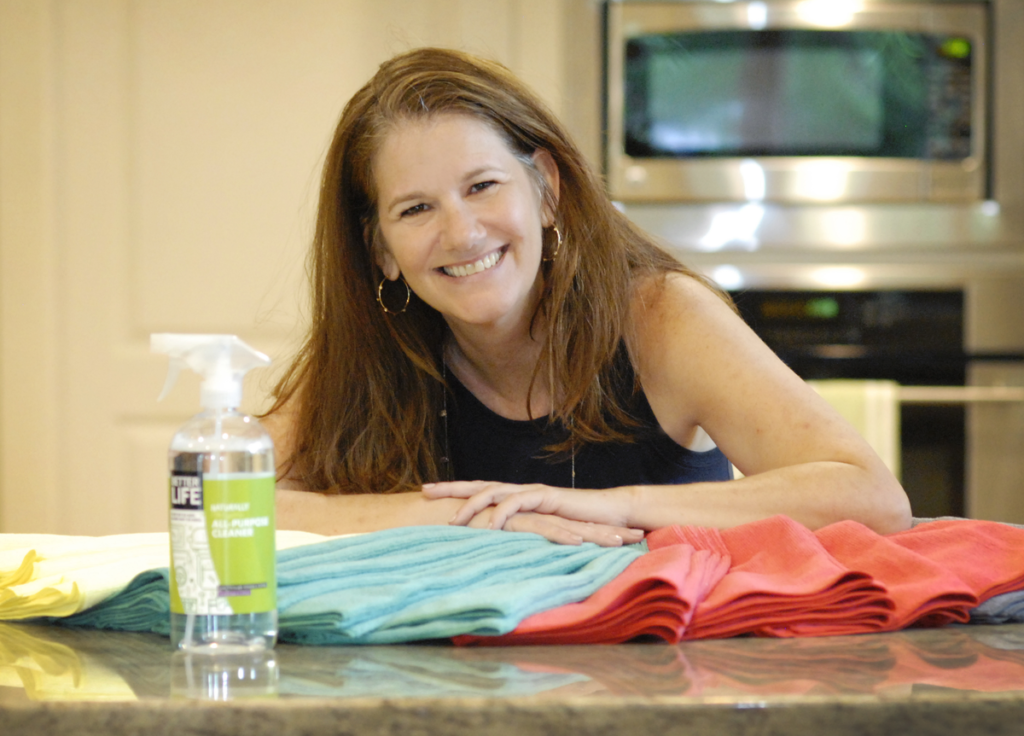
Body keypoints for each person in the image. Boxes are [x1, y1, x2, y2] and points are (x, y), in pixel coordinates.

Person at [266, 47, 912, 545]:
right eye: (414, 208)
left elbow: (872, 500)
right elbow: (222, 502)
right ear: (380, 248)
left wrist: (616, 505)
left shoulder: (660, 313)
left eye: (483, 185)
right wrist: (467, 516)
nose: (460, 233)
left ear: (545, 188)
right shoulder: (373, 346)